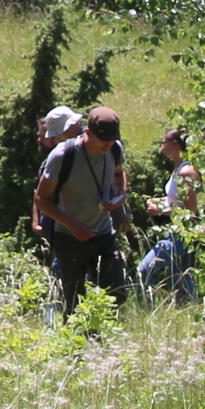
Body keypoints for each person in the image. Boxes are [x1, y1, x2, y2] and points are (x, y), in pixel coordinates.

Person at [35, 105, 128, 315]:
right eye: (103, 140)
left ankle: (102, 341)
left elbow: (119, 173)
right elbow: (41, 198)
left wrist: (120, 195)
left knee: (116, 293)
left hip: (104, 233)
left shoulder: (115, 149)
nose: (108, 145)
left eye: (112, 140)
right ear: (88, 132)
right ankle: (77, 345)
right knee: (73, 302)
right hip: (69, 237)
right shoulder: (62, 155)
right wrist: (72, 224)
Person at [138, 124, 200, 302]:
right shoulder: (178, 169)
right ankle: (188, 314)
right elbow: (175, 199)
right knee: (181, 282)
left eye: (164, 143)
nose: (162, 148)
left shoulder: (187, 171)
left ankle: (147, 308)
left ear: (176, 144)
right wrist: (159, 201)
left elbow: (190, 210)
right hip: (176, 233)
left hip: (183, 235)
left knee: (145, 271)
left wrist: (160, 210)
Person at [30, 106, 83, 241]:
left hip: (66, 230)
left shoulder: (62, 157)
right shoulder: (51, 160)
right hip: (55, 227)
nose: (40, 140)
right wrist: (36, 222)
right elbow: (39, 193)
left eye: (44, 136)